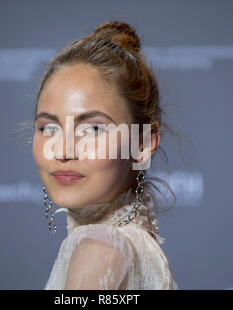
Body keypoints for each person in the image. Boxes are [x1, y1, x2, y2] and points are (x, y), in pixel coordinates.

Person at [31, 20, 179, 289]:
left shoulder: (99, 249)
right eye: (49, 128)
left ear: (143, 143)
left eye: (94, 128)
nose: (63, 150)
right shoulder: (132, 245)